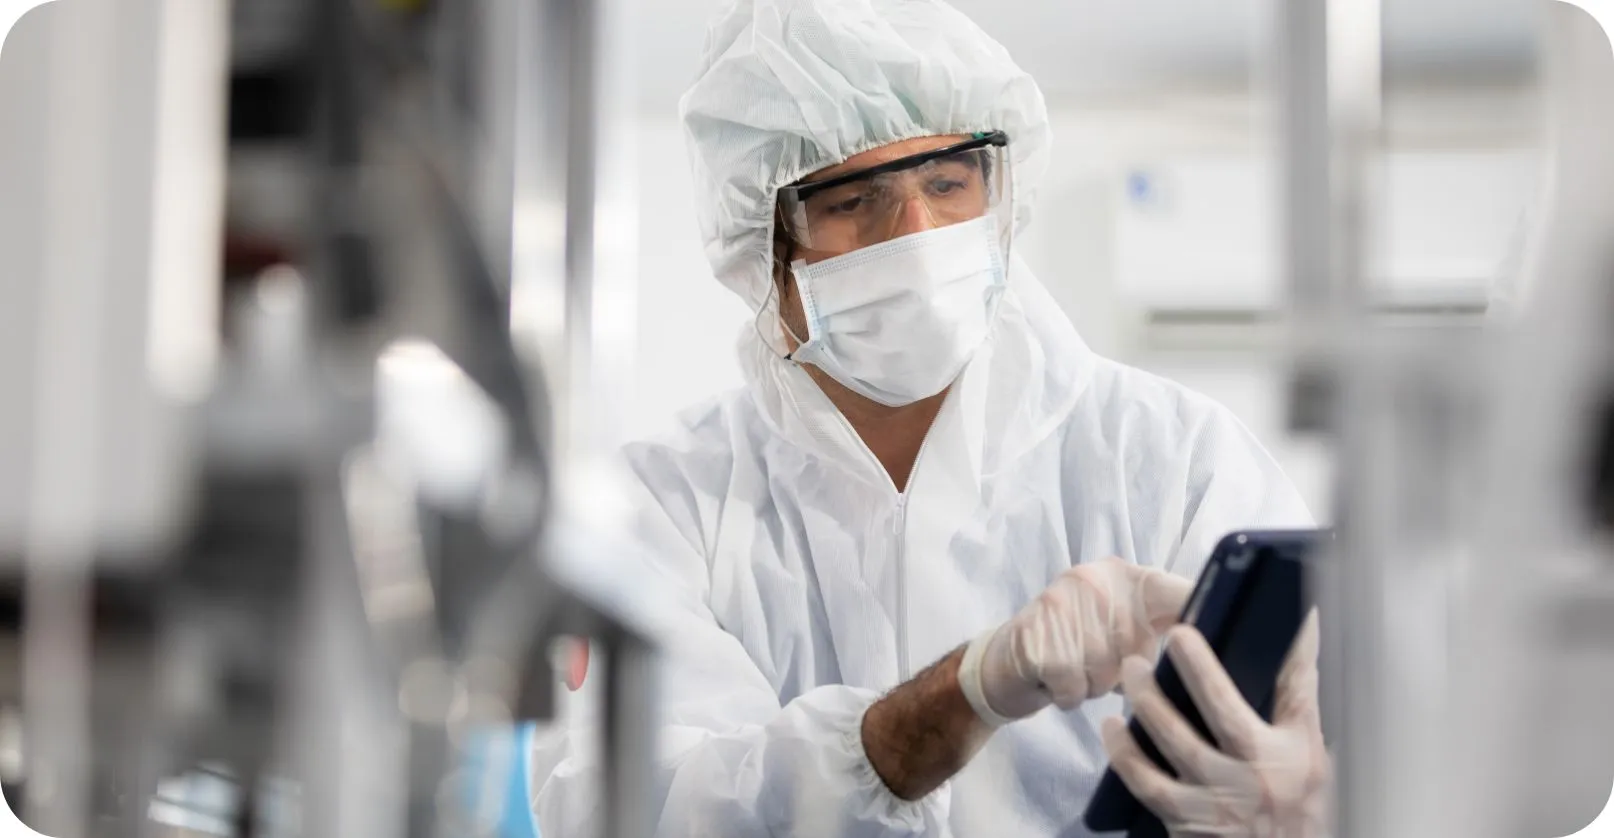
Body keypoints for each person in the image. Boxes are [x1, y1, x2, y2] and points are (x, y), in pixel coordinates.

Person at [530, 0, 1330, 835]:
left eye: (948, 184)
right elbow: (638, 808)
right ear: (760, 248)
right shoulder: (663, 508)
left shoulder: (1172, 458)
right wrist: (964, 692)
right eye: (854, 202)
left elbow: (1334, 734)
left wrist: (1312, 805)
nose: (917, 236)